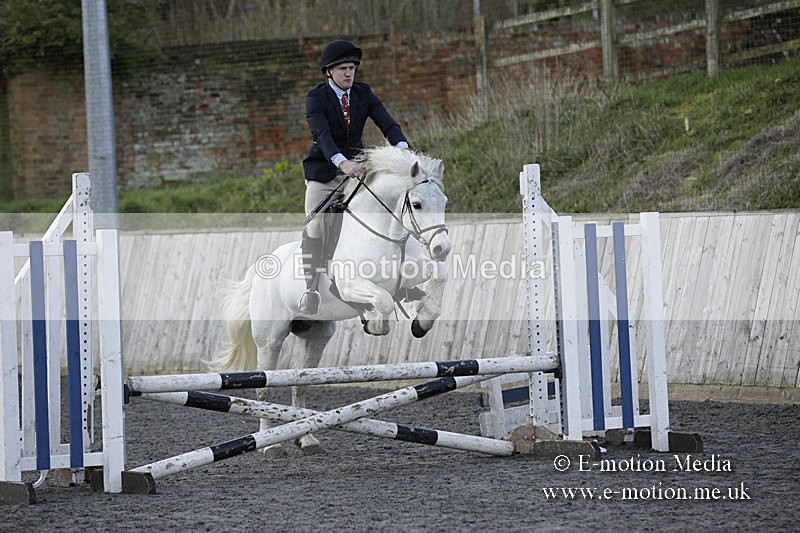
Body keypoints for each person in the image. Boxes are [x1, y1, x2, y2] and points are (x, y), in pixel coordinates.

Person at [298, 39, 409, 315]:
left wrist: (404, 150)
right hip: (323, 175)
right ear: (329, 72)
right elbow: (321, 136)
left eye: (352, 68)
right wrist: (341, 162)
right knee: (315, 225)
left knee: (380, 210)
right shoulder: (316, 97)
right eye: (343, 69)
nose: (349, 73)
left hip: (356, 171)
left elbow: (387, 122)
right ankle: (311, 289)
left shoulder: (363, 93)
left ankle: (394, 277)